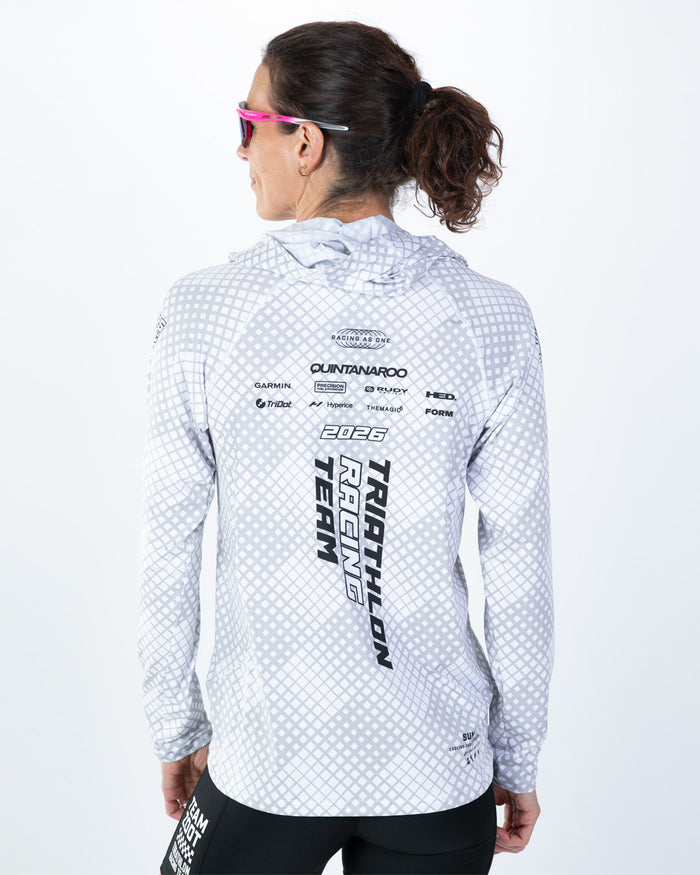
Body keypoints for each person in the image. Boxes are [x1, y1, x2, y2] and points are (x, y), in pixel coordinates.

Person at [137, 19, 554, 875]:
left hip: (268, 765)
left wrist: (176, 726)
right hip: (440, 772)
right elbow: (520, 563)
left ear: (306, 144)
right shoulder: (490, 319)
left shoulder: (208, 310)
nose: (241, 148)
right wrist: (516, 754)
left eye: (250, 123)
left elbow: (167, 544)